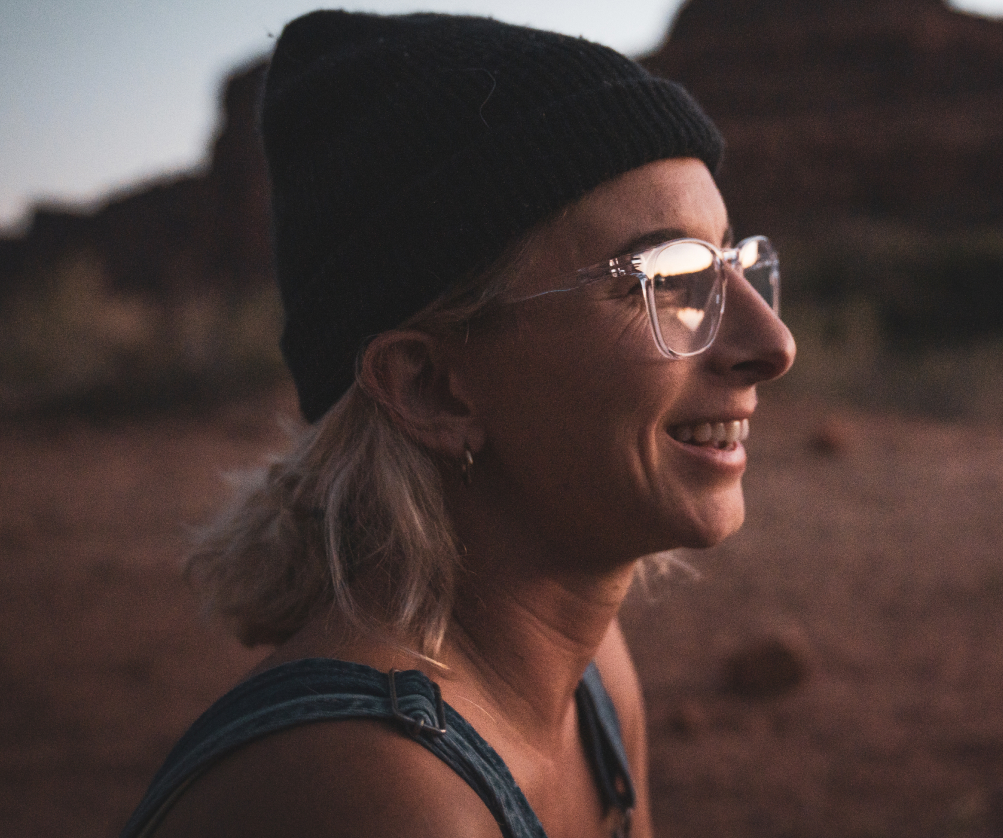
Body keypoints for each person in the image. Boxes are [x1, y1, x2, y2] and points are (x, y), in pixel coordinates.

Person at [121, 9, 795, 838]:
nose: (774, 344)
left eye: (735, 263)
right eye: (671, 280)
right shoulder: (373, 794)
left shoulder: (591, 682)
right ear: (433, 388)